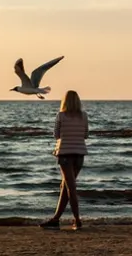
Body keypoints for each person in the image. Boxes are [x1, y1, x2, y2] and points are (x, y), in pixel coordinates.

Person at [39, 90, 89, 231]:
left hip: (65, 154)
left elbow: (56, 135)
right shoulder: (84, 116)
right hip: (79, 154)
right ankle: (56, 219)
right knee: (65, 187)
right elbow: (86, 135)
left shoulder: (60, 115)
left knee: (70, 188)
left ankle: (77, 220)